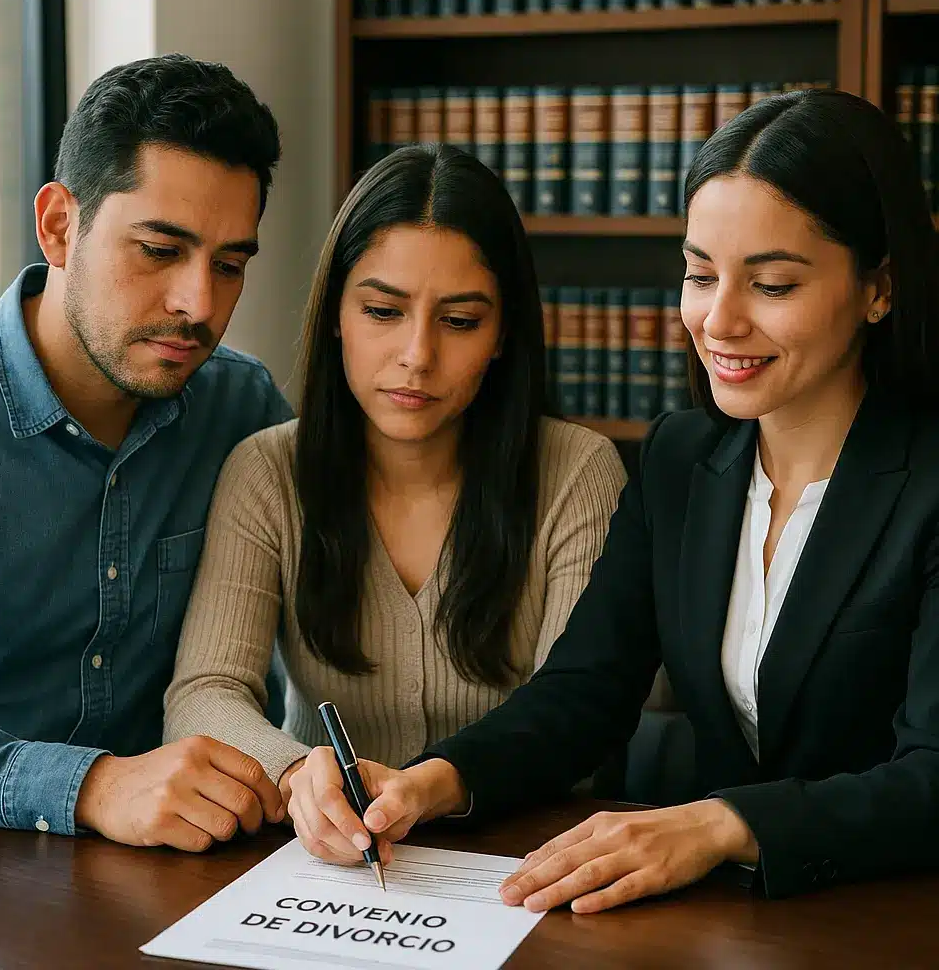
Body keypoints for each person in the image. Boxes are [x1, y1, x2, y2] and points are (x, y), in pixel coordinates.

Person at [286, 89, 939, 904]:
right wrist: (438, 781)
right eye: (700, 276)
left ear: (878, 288)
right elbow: (585, 692)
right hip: (728, 922)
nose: (720, 320)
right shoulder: (682, 458)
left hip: (899, 915)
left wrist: (721, 824)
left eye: (772, 285)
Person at [163, 143, 627, 851]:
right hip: (335, 856)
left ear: (503, 335)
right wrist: (295, 776)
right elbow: (204, 693)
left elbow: (575, 715)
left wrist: (437, 783)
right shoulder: (267, 471)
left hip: (527, 858)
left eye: (461, 321)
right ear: (336, 314)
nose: (417, 354)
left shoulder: (577, 473)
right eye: (383, 310)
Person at [0, 54, 294, 851]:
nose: (198, 304)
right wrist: (90, 785)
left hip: (194, 872)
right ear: (61, 226)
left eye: (229, 265)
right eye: (160, 250)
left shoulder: (243, 409)